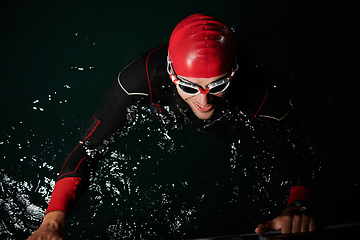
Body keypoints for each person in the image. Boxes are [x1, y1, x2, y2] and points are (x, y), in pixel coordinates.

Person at [28, 14, 316, 239]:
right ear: (172, 74)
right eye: (190, 86)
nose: (204, 99)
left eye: (218, 85)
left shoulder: (263, 95)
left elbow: (300, 157)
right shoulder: (137, 81)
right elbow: (89, 148)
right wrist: (53, 219)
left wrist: (297, 207)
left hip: (233, 126)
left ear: (233, 74)